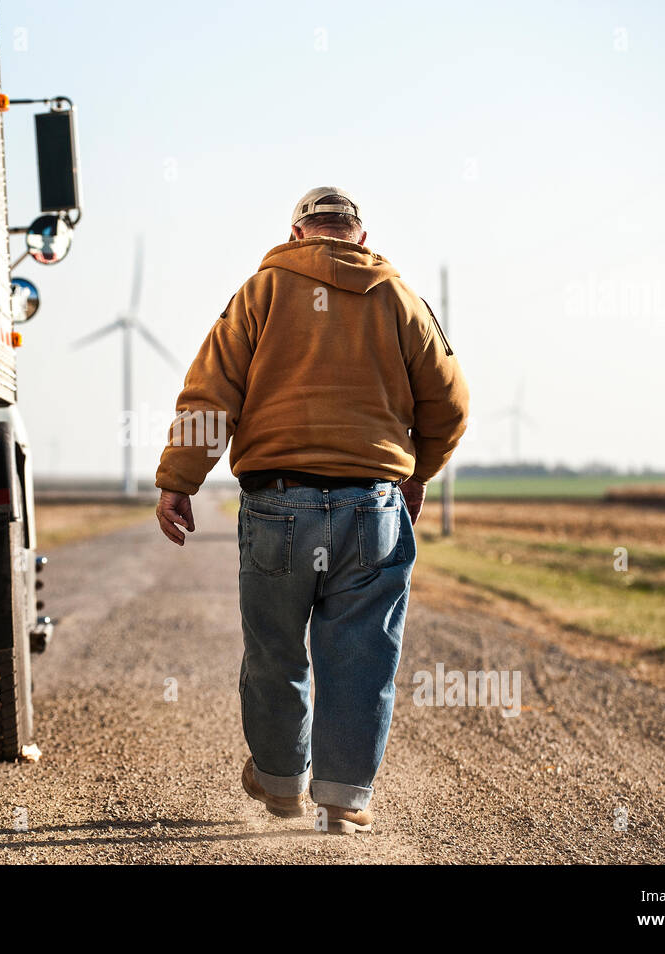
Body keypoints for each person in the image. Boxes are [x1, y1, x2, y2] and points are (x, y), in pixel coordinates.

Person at [153, 187, 469, 833]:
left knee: (274, 654)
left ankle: (279, 784)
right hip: (372, 507)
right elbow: (450, 404)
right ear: (359, 235)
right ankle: (344, 802)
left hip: (279, 504)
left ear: (298, 233)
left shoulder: (260, 291)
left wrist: (178, 480)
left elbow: (210, 396)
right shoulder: (400, 299)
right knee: (361, 660)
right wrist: (419, 472)